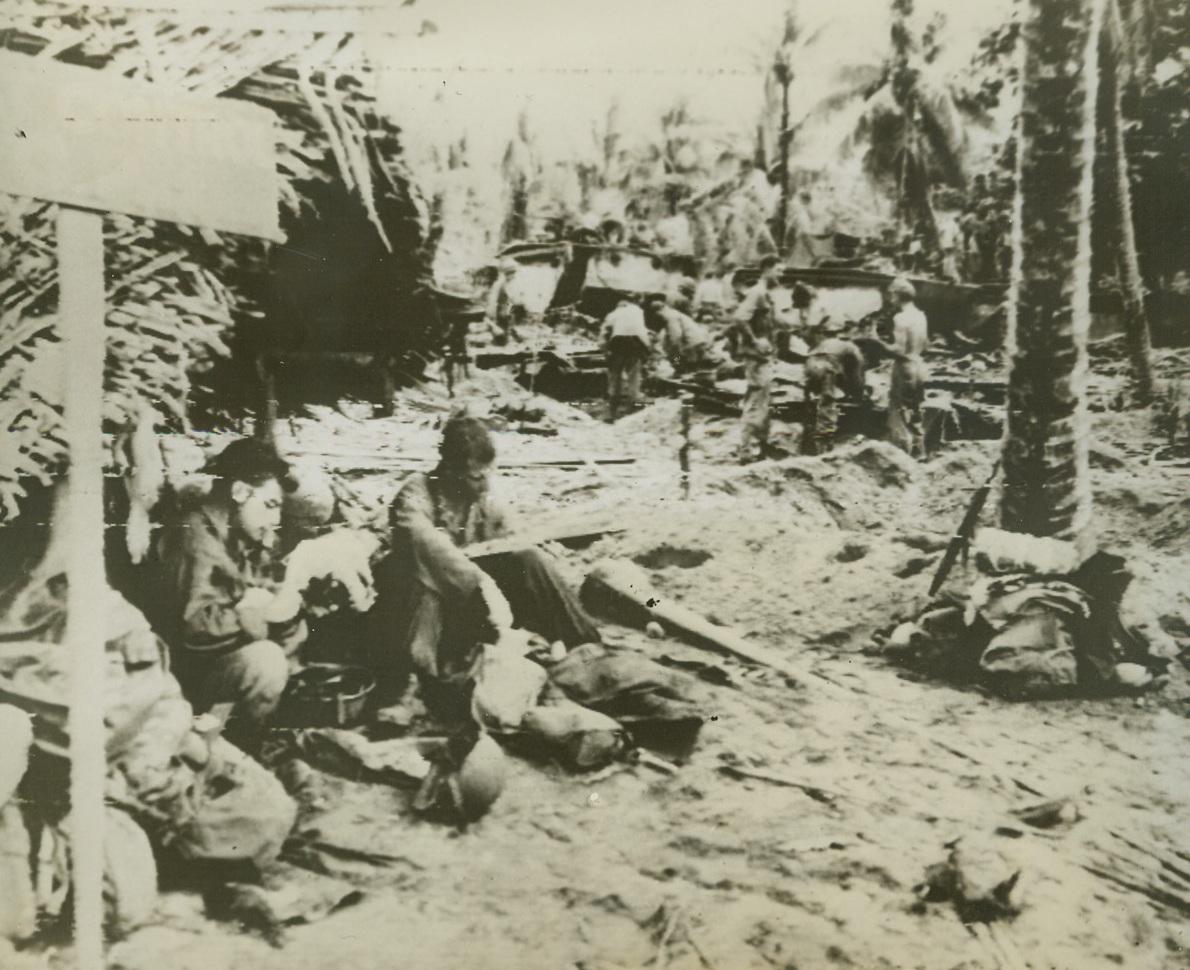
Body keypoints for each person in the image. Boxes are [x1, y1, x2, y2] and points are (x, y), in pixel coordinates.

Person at [369, 416, 601, 717]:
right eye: (476, 476)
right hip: (423, 606)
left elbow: (507, 540)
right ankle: (411, 686)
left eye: (487, 474)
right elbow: (422, 543)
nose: (485, 483)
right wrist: (481, 582)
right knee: (423, 579)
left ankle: (586, 644)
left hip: (476, 608)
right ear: (450, 469)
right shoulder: (415, 493)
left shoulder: (481, 496)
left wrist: (528, 557)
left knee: (529, 558)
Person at [153, 439, 309, 740]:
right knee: (266, 661)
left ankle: (258, 730)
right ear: (238, 492)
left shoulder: (235, 534)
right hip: (182, 677)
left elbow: (251, 584)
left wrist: (276, 595)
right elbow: (194, 628)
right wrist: (253, 614)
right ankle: (237, 748)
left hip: (216, 662)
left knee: (293, 628)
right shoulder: (194, 539)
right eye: (270, 505)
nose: (275, 520)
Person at [729, 254, 783, 463]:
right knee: (755, 402)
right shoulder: (758, 292)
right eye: (778, 270)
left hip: (762, 357)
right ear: (767, 269)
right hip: (756, 356)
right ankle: (745, 450)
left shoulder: (765, 294)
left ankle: (760, 448)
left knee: (762, 402)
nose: (781, 274)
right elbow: (740, 317)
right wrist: (755, 341)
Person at [881, 277, 930, 457]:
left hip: (905, 368)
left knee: (899, 414)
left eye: (891, 294)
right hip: (919, 365)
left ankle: (901, 458)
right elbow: (925, 345)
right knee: (915, 412)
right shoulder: (921, 316)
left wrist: (877, 342)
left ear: (896, 294)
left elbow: (899, 350)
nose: (889, 298)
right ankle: (920, 454)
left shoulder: (900, 318)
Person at [601, 296, 652, 419]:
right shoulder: (637, 311)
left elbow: (604, 333)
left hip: (618, 342)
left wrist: (605, 351)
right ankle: (635, 401)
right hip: (634, 342)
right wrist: (647, 348)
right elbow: (641, 331)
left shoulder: (613, 314)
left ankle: (611, 409)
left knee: (615, 375)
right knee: (634, 373)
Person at [646, 294, 720, 374]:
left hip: (692, 344)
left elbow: (676, 336)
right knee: (678, 355)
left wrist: (676, 356)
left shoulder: (668, 316)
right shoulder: (673, 313)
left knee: (675, 356)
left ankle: (681, 371)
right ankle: (687, 370)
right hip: (698, 342)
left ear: (657, 312)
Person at [486, 259, 519, 344]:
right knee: (500, 341)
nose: (514, 275)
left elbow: (510, 302)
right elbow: (492, 304)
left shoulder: (509, 284)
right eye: (512, 273)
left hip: (506, 317)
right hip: (498, 318)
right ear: (507, 273)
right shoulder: (499, 285)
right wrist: (493, 323)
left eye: (515, 272)